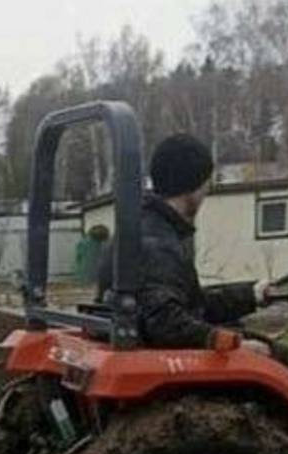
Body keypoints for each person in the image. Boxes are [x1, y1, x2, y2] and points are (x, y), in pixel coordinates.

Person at [96, 133, 272, 351]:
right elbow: (166, 324)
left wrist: (250, 295)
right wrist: (232, 344)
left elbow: (189, 304)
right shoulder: (157, 244)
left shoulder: (140, 229)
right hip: (157, 353)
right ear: (195, 185)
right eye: (207, 182)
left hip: (141, 342)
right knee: (281, 355)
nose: (208, 189)